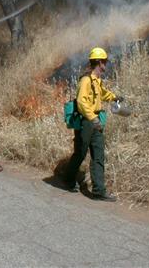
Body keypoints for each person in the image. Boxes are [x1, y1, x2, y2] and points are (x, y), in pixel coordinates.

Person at [63, 47, 123, 202]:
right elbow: (82, 102)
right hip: (86, 121)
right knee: (80, 153)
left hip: (95, 120)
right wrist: (93, 119)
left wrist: (114, 97)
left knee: (98, 155)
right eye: (104, 62)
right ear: (99, 62)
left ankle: (98, 191)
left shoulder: (97, 80)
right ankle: (68, 179)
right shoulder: (86, 80)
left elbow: (102, 93)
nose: (106, 65)